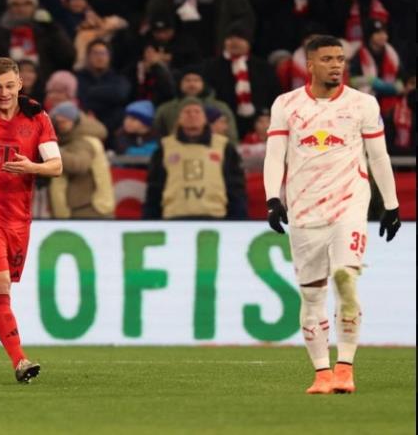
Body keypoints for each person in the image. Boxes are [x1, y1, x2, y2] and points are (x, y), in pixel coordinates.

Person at [263, 35, 401, 395]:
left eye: (340, 58)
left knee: (345, 279)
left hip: (349, 205)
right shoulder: (286, 105)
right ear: (310, 65)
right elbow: (275, 155)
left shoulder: (362, 104)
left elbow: (379, 157)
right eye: (327, 59)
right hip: (305, 210)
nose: (336, 65)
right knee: (311, 296)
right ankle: (322, 373)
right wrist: (272, 199)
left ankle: (346, 368)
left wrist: (391, 204)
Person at [0, 57, 62, 383]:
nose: (4, 93)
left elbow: (56, 165)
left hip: (19, 218)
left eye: (10, 86)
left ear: (20, 84)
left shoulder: (37, 119)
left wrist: (31, 167)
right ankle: (19, 360)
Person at [143, 97, 246, 220]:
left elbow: (235, 187)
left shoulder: (224, 147)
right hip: (174, 216)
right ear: (179, 118)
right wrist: (151, 219)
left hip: (215, 216)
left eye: (197, 111)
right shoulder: (165, 148)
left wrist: (237, 218)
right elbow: (155, 189)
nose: (192, 115)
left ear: (205, 118)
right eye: (187, 112)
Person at [48, 101, 115, 219]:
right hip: (82, 208)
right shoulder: (69, 139)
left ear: (74, 121)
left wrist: (52, 150)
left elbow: (79, 165)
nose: (60, 125)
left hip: (87, 209)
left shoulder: (84, 141)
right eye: (58, 122)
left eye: (64, 121)